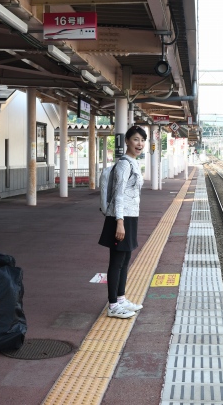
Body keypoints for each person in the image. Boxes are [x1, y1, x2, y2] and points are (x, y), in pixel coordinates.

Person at [98, 125, 148, 318]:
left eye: (142, 140)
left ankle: (121, 299)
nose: (140, 144)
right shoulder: (124, 164)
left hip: (130, 216)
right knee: (117, 261)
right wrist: (120, 222)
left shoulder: (134, 162)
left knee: (125, 259)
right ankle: (112, 306)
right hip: (120, 217)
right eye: (136, 139)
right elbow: (118, 195)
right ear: (127, 141)